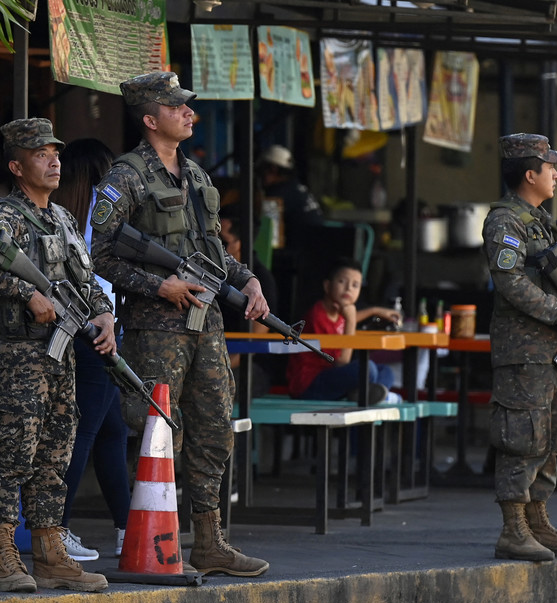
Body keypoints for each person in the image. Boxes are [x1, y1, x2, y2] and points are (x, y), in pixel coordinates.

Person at [89, 71, 270, 577]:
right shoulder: (125, 177)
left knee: (215, 428)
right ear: (151, 119)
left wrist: (249, 283)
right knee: (159, 434)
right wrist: (158, 287)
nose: (190, 114)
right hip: (156, 329)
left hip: (205, 323)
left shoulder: (196, 177)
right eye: (177, 108)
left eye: (187, 107)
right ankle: (151, 544)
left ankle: (210, 542)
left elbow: (214, 252)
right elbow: (98, 254)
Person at [0, 118, 113, 593]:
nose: (54, 161)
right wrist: (25, 293)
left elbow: (86, 283)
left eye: (56, 153)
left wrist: (105, 315)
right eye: (41, 154)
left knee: (55, 453)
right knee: (13, 452)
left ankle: (50, 552)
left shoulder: (64, 219)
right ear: (16, 165)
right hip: (20, 354)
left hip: (61, 355)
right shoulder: (1, 216)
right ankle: (4, 557)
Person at [482, 133, 557, 562]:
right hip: (523, 351)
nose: (556, 174)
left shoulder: (550, 224)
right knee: (521, 437)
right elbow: (510, 282)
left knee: (552, 435)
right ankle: (513, 528)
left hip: (555, 353)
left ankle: (538, 520)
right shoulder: (504, 222)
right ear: (529, 174)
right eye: (550, 168)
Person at [50, 138, 131, 561]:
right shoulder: (103, 211)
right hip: (100, 330)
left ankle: (126, 528)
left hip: (80, 328)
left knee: (110, 431)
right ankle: (56, 529)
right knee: (84, 431)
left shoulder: (63, 213)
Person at [286, 257, 400, 404]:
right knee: (368, 369)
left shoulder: (338, 313)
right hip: (309, 385)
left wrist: (374, 310)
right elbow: (341, 362)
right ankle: (371, 396)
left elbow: (348, 319)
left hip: (331, 379)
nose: (348, 289)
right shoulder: (317, 315)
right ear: (327, 286)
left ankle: (366, 395)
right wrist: (351, 321)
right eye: (342, 282)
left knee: (386, 371)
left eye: (355, 285)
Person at [219, 209, 279, 398]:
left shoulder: (262, 281)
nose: (216, 245)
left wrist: (218, 365)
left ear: (240, 244)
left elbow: (253, 344)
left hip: (248, 366)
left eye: (223, 241)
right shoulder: (213, 270)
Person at [256, 144, 323, 249]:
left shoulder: (277, 196)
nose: (260, 176)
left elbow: (271, 240)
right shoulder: (296, 187)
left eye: (261, 170)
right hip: (315, 248)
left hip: (299, 253)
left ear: (273, 169)